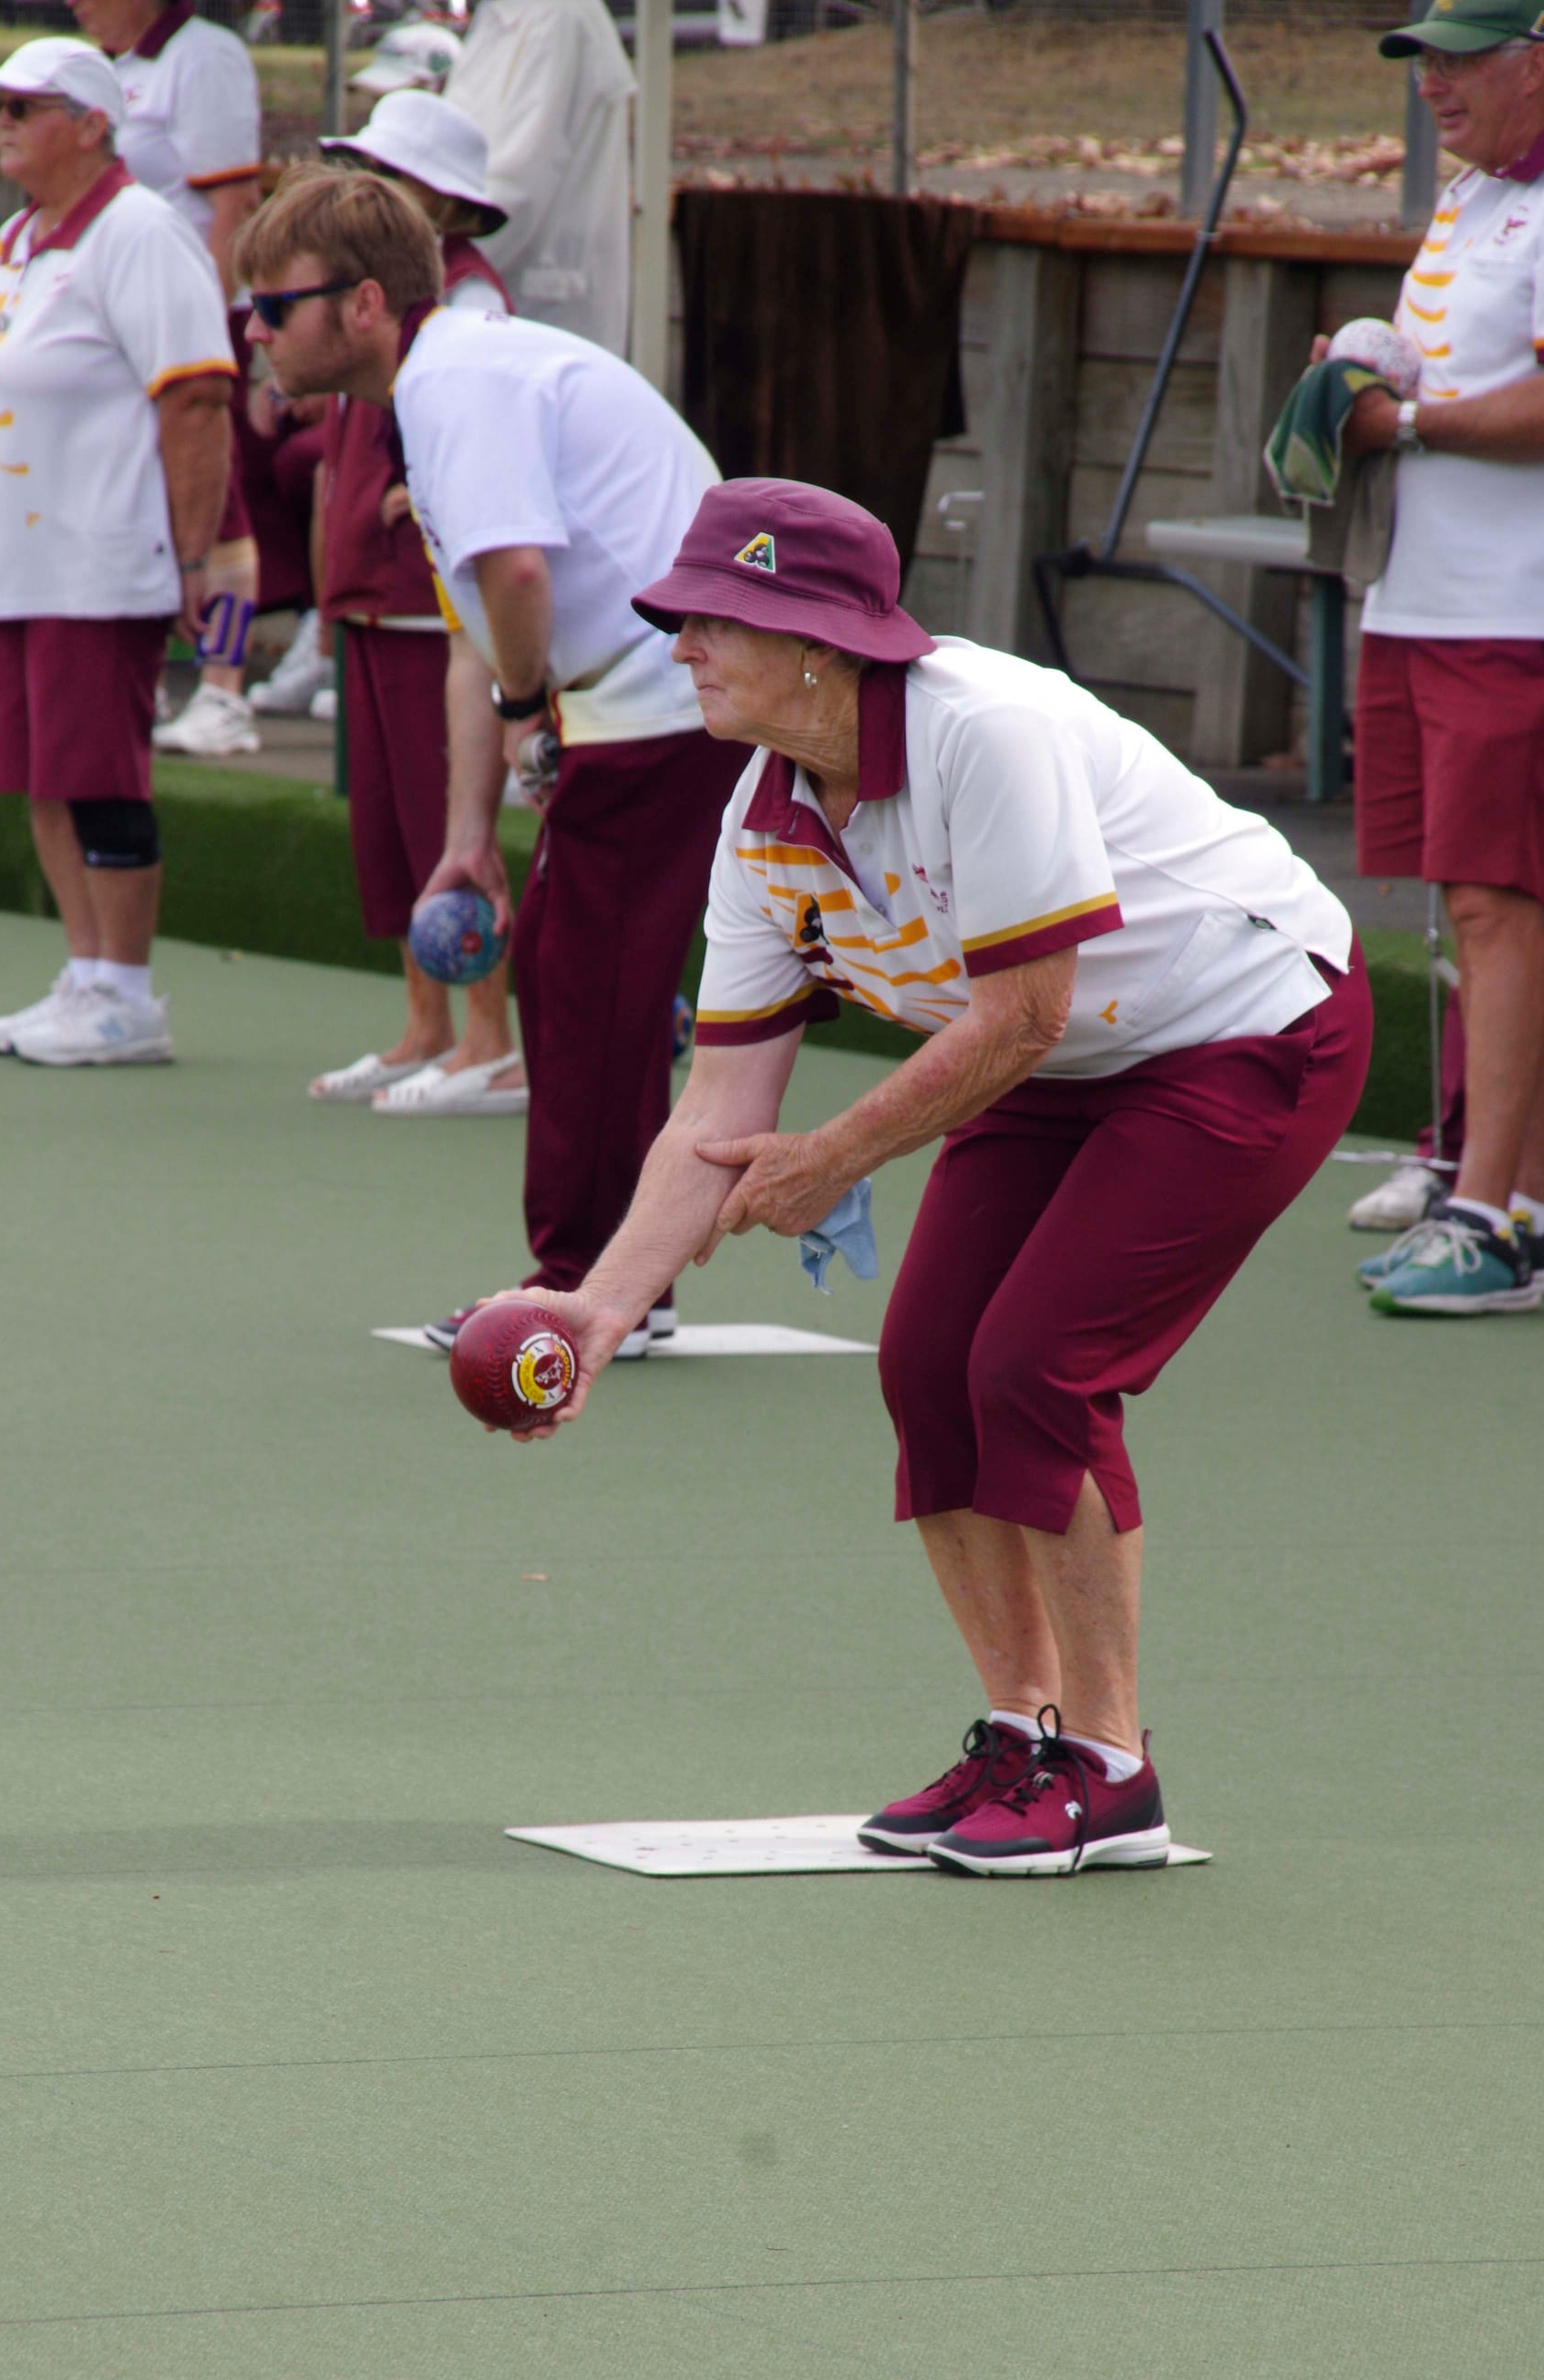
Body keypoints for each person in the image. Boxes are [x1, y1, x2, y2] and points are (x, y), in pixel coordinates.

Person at [492, 478, 1368, 1874]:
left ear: (820, 646)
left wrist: (834, 1155)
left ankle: (1113, 1771)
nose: (682, 647)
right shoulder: (760, 818)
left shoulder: (987, 734)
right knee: (925, 1365)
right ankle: (1025, 1735)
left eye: (716, 621)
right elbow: (720, 1102)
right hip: (1062, 1058)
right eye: (681, 621)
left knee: (1036, 1368)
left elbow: (1021, 1014)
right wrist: (600, 1306)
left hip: (1245, 1028)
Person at [237, 167, 747, 1351]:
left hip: (679, 702)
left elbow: (516, 580)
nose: (256, 333)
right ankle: (622, 1280)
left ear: (364, 305)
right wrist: (469, 838)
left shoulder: (454, 385)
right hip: (653, 700)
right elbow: (476, 629)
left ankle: (584, 1284)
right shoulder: (436, 386)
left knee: (585, 990)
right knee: (580, 983)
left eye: (273, 308)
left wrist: (529, 707)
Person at [1344, 0, 1544, 1314]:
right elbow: (1457, 368)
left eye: (1461, 58)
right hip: (1426, 596)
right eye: (1425, 59)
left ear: (1541, 61)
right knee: (1468, 901)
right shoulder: (1472, 192)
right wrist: (1355, 377)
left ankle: (1480, 1219)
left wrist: (1403, 421)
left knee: (1494, 899)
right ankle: (1523, 1209)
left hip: (1531, 607)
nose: (1434, 84)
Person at [0, 37, 232, 1066]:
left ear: (93, 124)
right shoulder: (17, 237)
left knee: (103, 776)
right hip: (15, 564)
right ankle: (86, 973)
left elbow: (198, 397)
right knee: (45, 777)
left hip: (102, 561)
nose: (3, 123)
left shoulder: (141, 233)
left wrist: (193, 560)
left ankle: (129, 996)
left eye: (26, 107)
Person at [306, 92, 522, 1108]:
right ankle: (425, 1028)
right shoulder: (373, 300)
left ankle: (490, 1039)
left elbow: (481, 423)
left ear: (446, 204)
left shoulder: (468, 303)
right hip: (367, 593)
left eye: (387, 178)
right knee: (391, 831)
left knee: (446, 820)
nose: (365, 194)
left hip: (428, 605)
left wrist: (423, 485)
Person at [49, 0, 269, 762]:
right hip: (126, 331)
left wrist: (203, 333)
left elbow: (233, 207)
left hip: (191, 329)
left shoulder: (204, 59)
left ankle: (225, 693)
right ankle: (169, 682)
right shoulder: (114, 68)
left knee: (222, 513)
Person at [403, 0, 634, 355]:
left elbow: (514, 187)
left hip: (537, 316)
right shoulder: (509, 11)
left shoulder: (559, 20)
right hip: (492, 300)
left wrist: (417, 268)